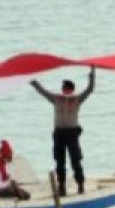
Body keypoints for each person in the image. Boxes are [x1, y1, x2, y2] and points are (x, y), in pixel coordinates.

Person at [30, 67, 95, 196]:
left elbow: (89, 90)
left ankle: (80, 184)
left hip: (72, 134)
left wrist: (92, 74)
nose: (63, 90)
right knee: (59, 161)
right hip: (59, 133)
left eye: (65, 88)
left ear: (71, 89)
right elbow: (42, 91)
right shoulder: (56, 98)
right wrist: (31, 80)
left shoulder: (77, 99)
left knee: (75, 160)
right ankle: (61, 186)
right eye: (63, 88)